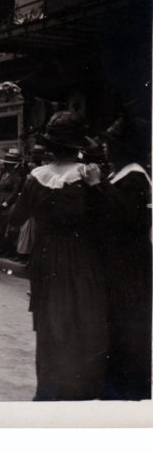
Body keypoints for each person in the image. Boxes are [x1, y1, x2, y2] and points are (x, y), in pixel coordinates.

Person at [9, 111, 108, 401]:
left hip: (46, 257)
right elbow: (105, 219)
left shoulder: (36, 178)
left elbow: (15, 218)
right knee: (81, 321)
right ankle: (76, 391)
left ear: (50, 146)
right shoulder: (87, 178)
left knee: (49, 321)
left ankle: (48, 390)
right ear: (78, 145)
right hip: (82, 258)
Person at [79, 114, 152, 400]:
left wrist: (97, 186)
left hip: (129, 272)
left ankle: (125, 395)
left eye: (110, 145)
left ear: (123, 149)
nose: (106, 150)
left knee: (127, 334)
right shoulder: (124, 176)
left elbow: (122, 218)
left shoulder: (134, 178)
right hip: (121, 269)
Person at [0, 148, 25, 259]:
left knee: (6, 226)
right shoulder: (5, 174)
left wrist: (6, 203)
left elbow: (15, 192)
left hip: (7, 202)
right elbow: (0, 185)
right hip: (0, 199)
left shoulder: (16, 177)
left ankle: (6, 250)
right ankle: (0, 248)